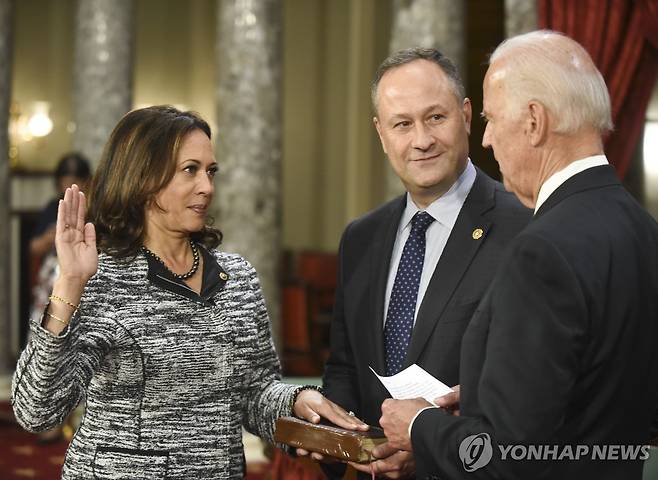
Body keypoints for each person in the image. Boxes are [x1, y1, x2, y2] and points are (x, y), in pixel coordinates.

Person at [11, 105, 366, 479]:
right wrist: (69, 284)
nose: (207, 187)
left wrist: (297, 401)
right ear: (144, 178)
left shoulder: (238, 277)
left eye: (210, 171)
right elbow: (37, 410)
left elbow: (254, 394)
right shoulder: (101, 277)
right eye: (190, 170)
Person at [379, 31, 658, 480]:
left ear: (533, 121)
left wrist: (419, 425)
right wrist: (485, 398)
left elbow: (508, 459)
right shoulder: (643, 229)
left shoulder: (541, 249)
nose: (486, 139)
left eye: (490, 118)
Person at [320, 48, 531, 478]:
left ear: (467, 115)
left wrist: (430, 444)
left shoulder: (526, 231)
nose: (421, 139)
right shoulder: (360, 238)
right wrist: (335, 444)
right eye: (402, 124)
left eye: (436, 117)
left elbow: (530, 389)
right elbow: (344, 365)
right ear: (381, 134)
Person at [27, 152, 91, 444]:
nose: (71, 186)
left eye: (77, 180)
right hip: (52, 284)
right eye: (66, 181)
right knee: (48, 342)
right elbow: (34, 248)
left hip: (85, 283)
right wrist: (55, 236)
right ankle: (48, 414)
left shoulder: (95, 209)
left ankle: (79, 416)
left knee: (82, 346)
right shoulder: (51, 208)